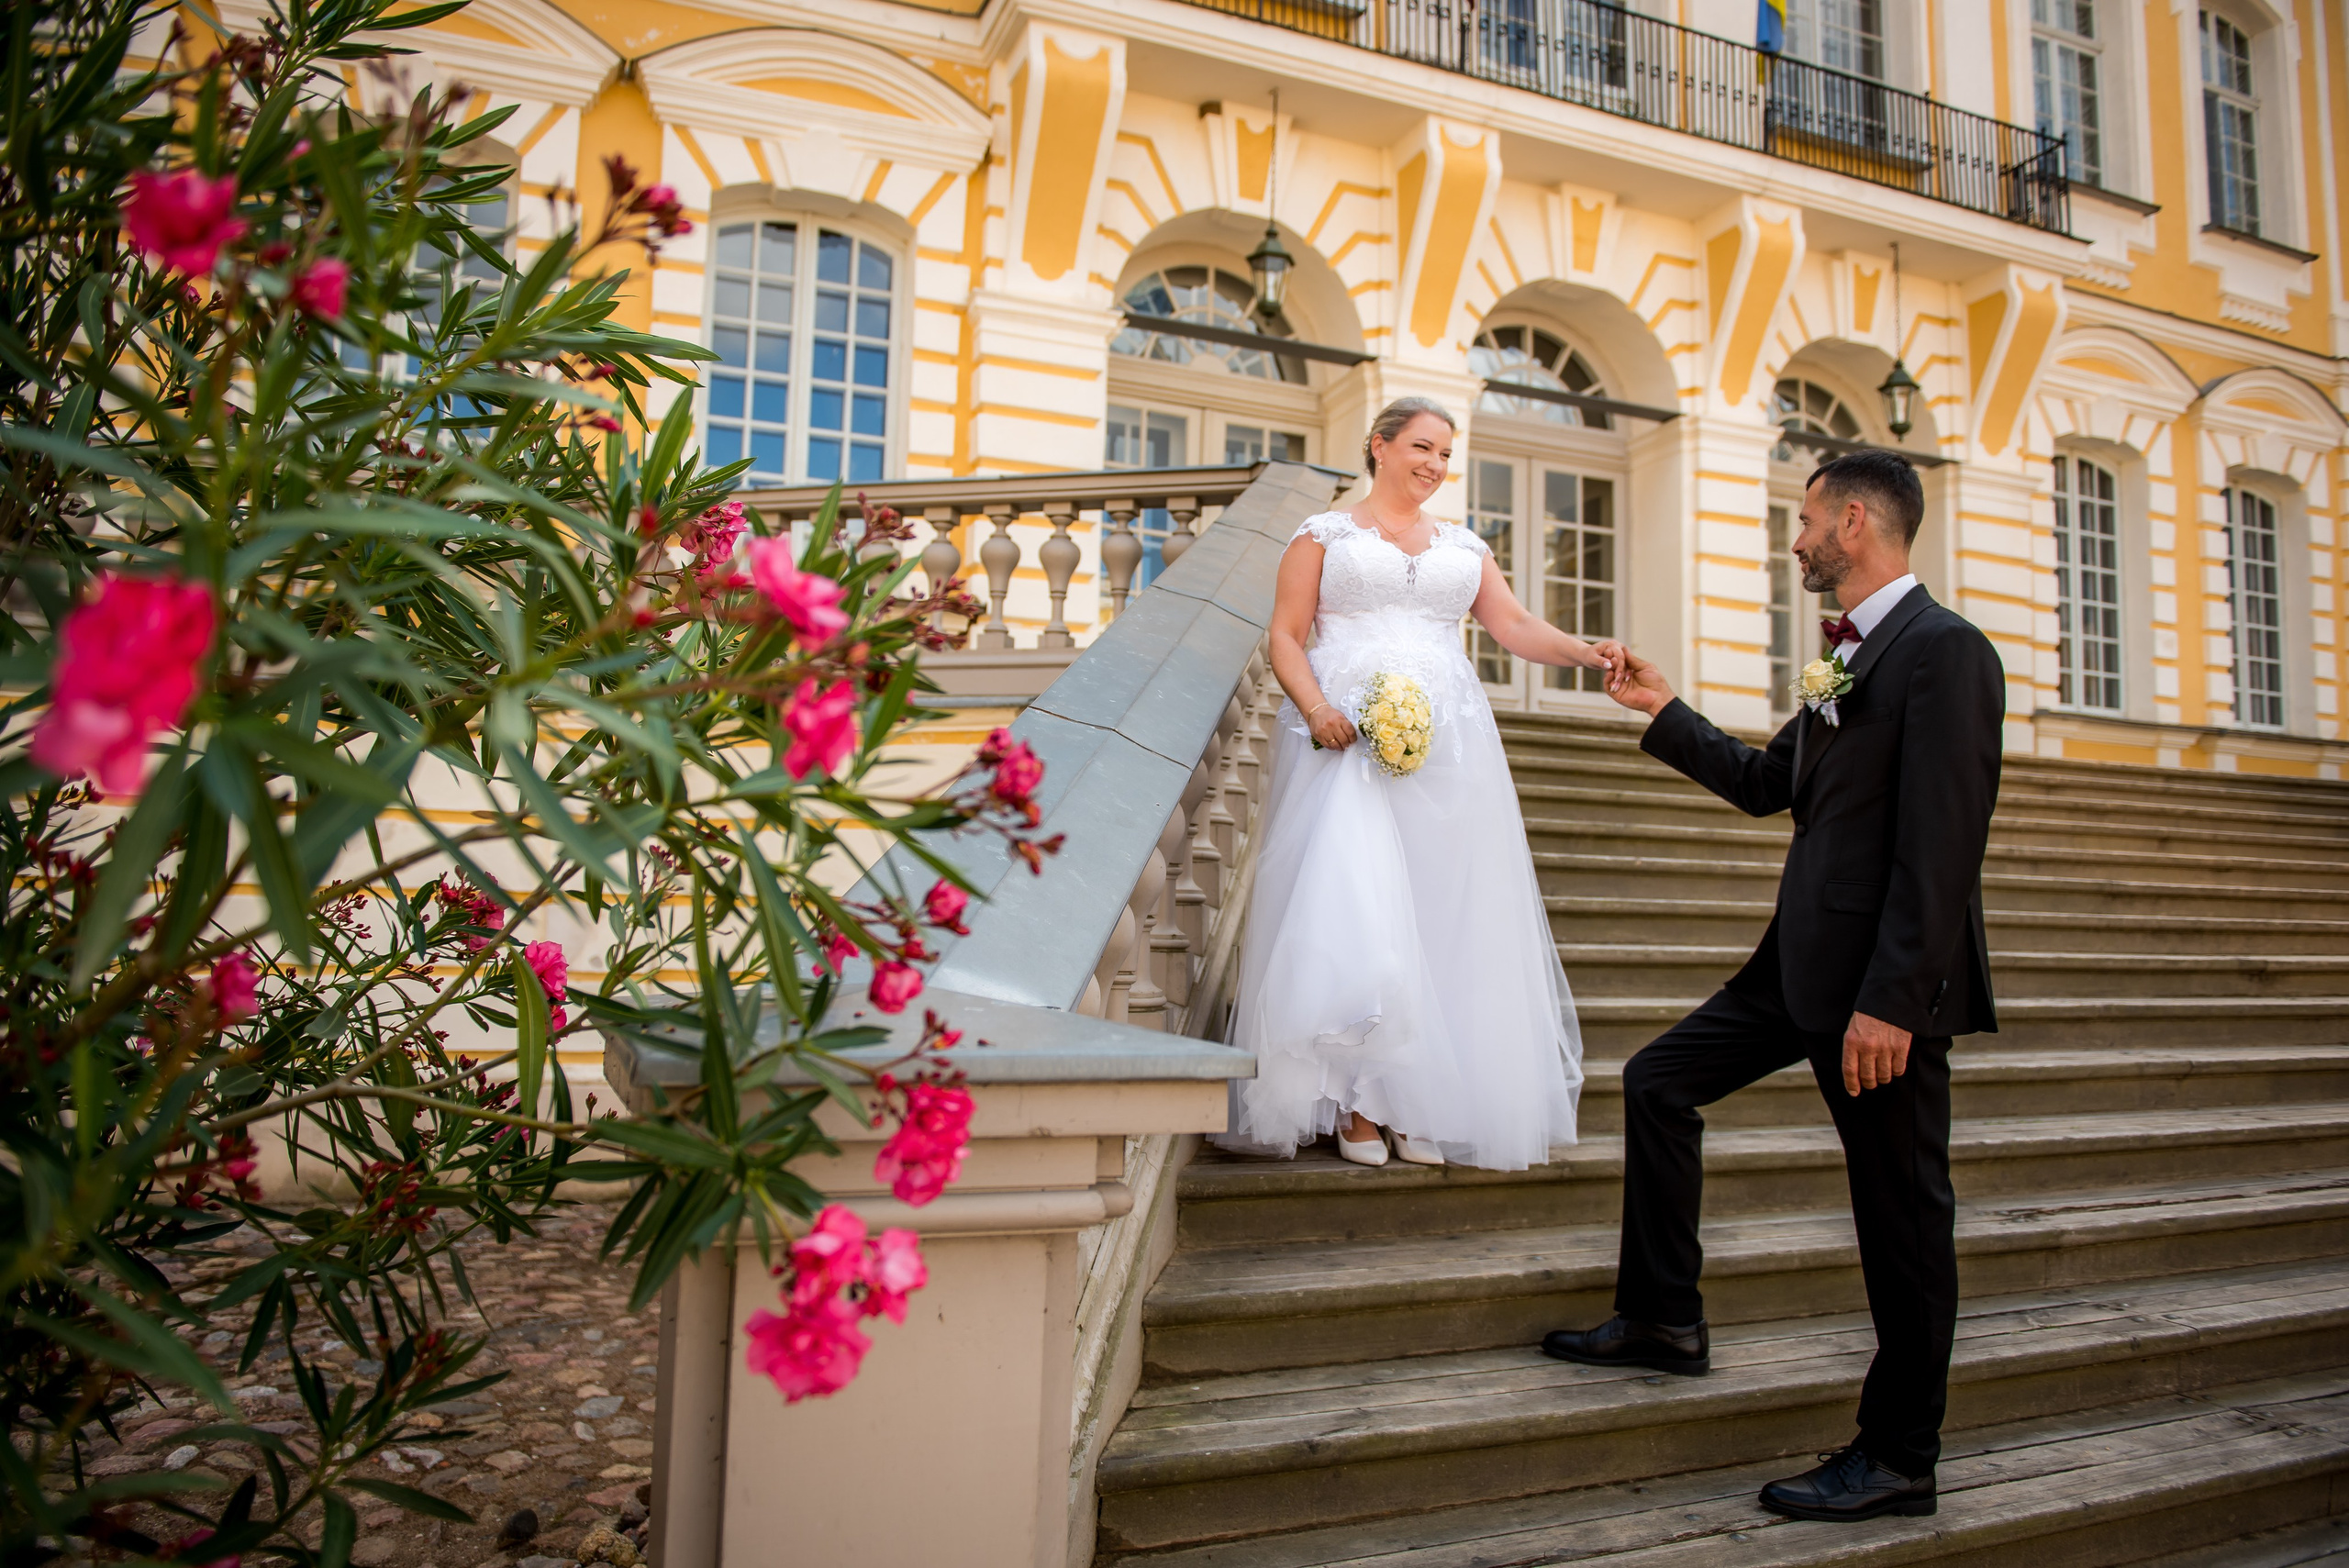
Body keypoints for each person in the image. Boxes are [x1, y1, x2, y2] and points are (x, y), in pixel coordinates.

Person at [1551, 450, 2004, 1523]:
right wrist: (1660, 709)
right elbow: (1769, 785)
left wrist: (1894, 997)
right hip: (1796, 965)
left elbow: (1943, 847)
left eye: (1803, 520)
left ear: (1853, 521)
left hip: (1875, 1000)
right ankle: (1663, 1318)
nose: (1792, 539)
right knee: (1658, 1081)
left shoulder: (1946, 653)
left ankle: (1899, 1454)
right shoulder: (1846, 657)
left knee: (1901, 1221)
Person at [1212, 397, 1600, 1172]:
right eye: (1422, 447)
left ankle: (1415, 1098)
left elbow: (1516, 626)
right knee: (1361, 906)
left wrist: (1589, 653)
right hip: (1347, 738)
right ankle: (1356, 1100)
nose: (1434, 464)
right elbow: (1286, 634)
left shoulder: (1464, 545)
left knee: (1440, 912)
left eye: (1445, 454)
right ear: (1379, 447)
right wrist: (1317, 706)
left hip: (1451, 743)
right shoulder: (1321, 535)